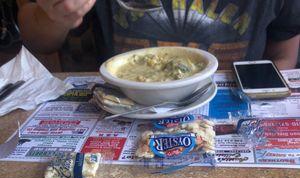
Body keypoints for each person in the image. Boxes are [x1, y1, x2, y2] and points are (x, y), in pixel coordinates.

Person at [18, 0, 299, 70]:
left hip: (230, 111)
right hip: (123, 107)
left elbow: (284, 48)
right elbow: (38, 42)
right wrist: (54, 15)